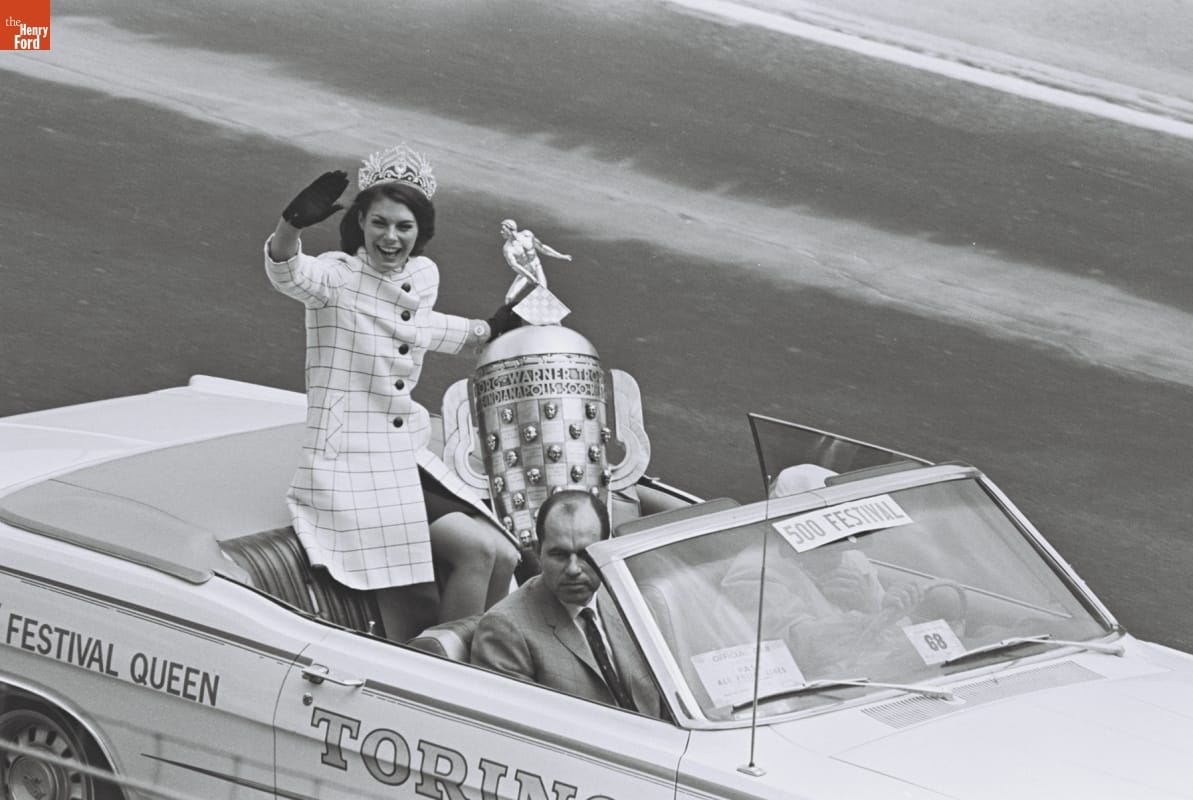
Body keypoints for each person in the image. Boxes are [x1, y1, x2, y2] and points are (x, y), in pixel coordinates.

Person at [264, 143, 520, 636]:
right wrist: (291, 226)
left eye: (404, 226)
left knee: (506, 555)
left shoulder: (422, 276)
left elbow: (414, 326)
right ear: (359, 222)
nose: (390, 237)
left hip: (401, 454)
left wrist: (485, 330)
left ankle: (488, 667)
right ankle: (442, 670)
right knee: (479, 550)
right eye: (379, 222)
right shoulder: (336, 278)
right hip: (349, 465)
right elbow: (288, 272)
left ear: (421, 232)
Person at [470, 490, 662, 717]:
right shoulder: (505, 630)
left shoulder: (630, 599)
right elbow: (522, 735)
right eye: (560, 555)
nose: (573, 569)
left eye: (585, 554)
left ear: (606, 550)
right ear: (538, 552)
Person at [499, 219, 572, 304]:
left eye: (503, 229)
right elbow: (515, 266)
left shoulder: (527, 235)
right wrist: (531, 277)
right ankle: (506, 316)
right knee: (509, 298)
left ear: (509, 229)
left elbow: (542, 247)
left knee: (543, 292)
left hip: (537, 267)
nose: (501, 232)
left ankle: (541, 314)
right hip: (525, 271)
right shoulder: (508, 248)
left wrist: (561, 256)